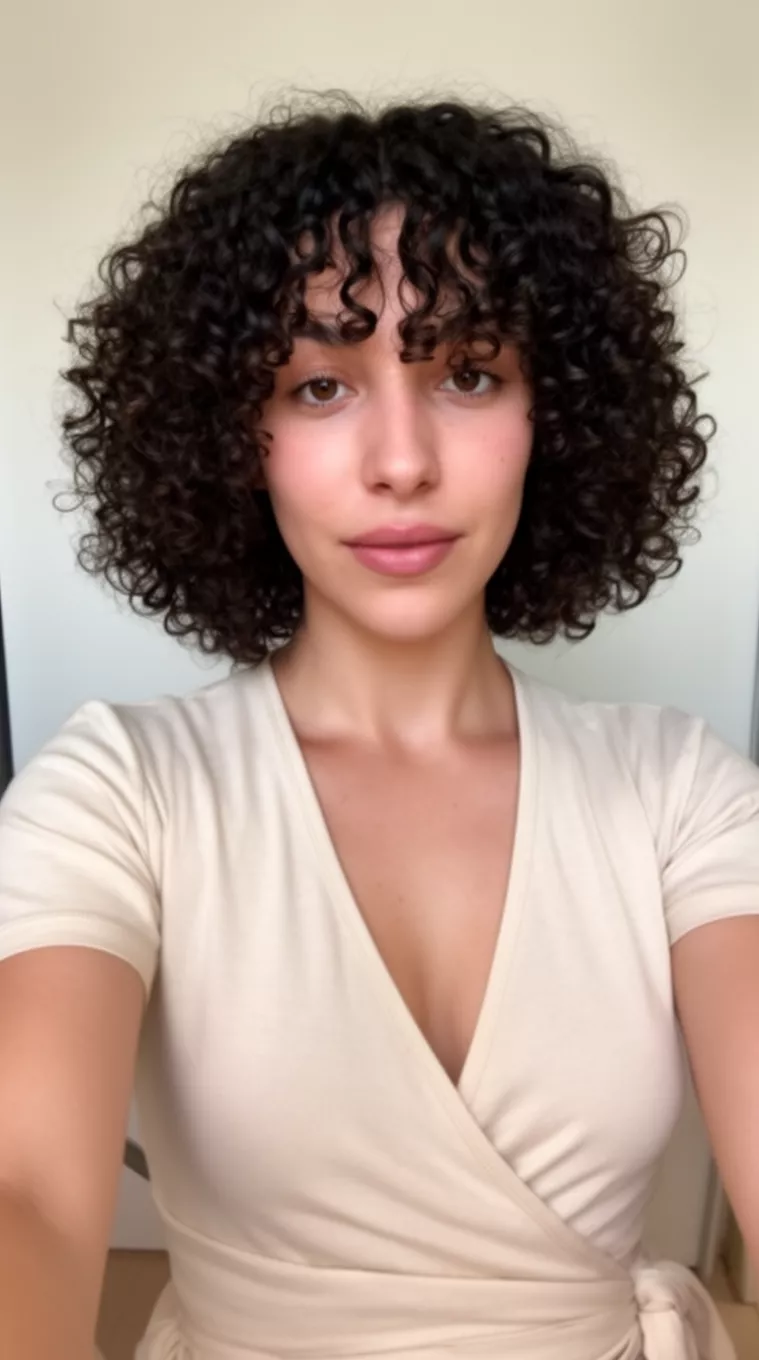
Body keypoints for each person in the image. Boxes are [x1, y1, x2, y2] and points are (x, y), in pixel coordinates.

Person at [0, 90, 757, 1360]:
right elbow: (26, 1193)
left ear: (554, 416)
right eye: (317, 385)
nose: (400, 460)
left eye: (467, 372)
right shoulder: (121, 786)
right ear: (234, 436)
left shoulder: (678, 789)